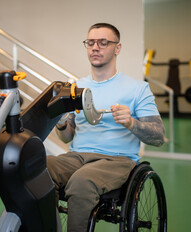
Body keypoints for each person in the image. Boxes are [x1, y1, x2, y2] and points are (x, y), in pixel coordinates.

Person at [46, 23, 165, 232]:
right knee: (38, 169)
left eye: (103, 42)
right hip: (77, 156)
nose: (95, 47)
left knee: (82, 182)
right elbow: (67, 137)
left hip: (117, 160)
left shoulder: (138, 88)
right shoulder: (75, 88)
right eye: (90, 42)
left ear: (117, 48)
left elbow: (158, 137)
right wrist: (62, 123)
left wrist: (131, 123)